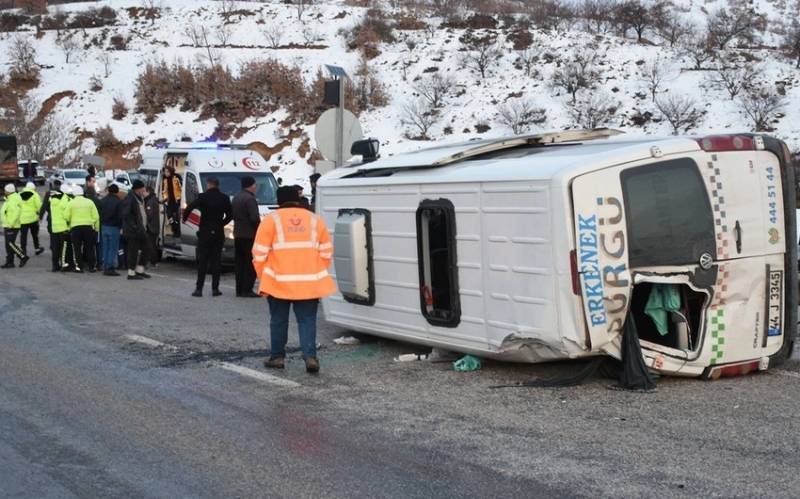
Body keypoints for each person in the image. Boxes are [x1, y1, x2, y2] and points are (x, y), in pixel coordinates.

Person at [253, 186, 336, 373]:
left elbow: (258, 254)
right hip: (309, 283)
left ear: (279, 201)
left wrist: (263, 276)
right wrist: (314, 270)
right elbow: (326, 252)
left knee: (278, 320)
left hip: (277, 283)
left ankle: (277, 357)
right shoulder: (315, 220)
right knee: (307, 320)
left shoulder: (270, 221)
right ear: (297, 201)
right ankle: (310, 357)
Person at [182, 176, 232, 297]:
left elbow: (190, 207)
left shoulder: (203, 197)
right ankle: (215, 289)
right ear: (217, 184)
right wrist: (221, 224)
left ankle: (199, 289)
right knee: (216, 261)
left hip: (205, 233)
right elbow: (230, 215)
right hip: (218, 233)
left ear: (209, 184)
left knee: (203, 261)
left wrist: (184, 218)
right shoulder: (224, 198)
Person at [231, 175, 261, 298]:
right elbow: (254, 218)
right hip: (249, 235)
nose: (256, 187)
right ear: (251, 185)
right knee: (250, 263)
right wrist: (260, 229)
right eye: (254, 184)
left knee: (240, 263)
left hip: (238, 234)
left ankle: (239, 289)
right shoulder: (250, 199)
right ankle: (247, 289)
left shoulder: (236, 197)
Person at [63, 185, 99, 273]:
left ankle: (79, 267)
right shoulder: (89, 202)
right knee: (90, 248)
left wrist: (72, 221)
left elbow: (66, 216)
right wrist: (92, 223)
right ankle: (92, 267)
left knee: (77, 248)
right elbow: (96, 216)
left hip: (75, 228)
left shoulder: (71, 203)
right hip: (88, 227)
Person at [122, 180, 151, 280]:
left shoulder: (139, 198)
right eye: (143, 188)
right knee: (133, 251)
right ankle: (131, 273)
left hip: (141, 229)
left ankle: (140, 270)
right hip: (133, 231)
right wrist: (134, 227)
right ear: (138, 189)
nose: (144, 190)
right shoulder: (130, 198)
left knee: (147, 248)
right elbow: (126, 215)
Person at [39, 181, 69, 272]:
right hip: (63, 224)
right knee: (63, 245)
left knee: (54, 244)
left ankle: (55, 265)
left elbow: (44, 206)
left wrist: (40, 217)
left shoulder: (50, 195)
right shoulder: (65, 197)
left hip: (52, 221)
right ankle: (62, 262)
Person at [1, 183, 28, 268]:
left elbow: (16, 213)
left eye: (5, 190)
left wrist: (10, 224)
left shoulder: (14, 199)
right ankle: (10, 262)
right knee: (8, 245)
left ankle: (22, 256)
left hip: (11, 226)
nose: (4, 192)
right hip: (8, 225)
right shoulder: (10, 198)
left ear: (9, 191)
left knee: (10, 244)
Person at [99, 183, 123, 276]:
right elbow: (120, 216)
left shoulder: (103, 200)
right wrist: (120, 227)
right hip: (114, 227)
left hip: (104, 227)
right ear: (117, 192)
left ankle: (105, 266)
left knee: (105, 247)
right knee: (113, 248)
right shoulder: (118, 202)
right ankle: (109, 267)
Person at [19, 181, 44, 256]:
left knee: (23, 236)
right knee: (34, 234)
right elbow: (39, 206)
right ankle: (37, 248)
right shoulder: (35, 194)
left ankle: (23, 252)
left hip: (23, 219)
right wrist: (39, 215)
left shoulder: (19, 194)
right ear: (33, 188)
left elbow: (17, 206)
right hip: (33, 219)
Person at [162, 166, 181, 236]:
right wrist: (165, 199)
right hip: (169, 202)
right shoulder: (165, 180)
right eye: (165, 171)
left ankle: (177, 232)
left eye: (167, 171)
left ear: (170, 172)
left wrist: (180, 199)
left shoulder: (176, 179)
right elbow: (164, 191)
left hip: (177, 201)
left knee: (177, 218)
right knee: (170, 217)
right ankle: (174, 228)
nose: (165, 173)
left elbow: (180, 188)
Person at [143, 185, 160, 267]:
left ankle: (153, 261)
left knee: (150, 245)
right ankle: (153, 261)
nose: (143, 193)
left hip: (151, 227)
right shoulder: (153, 199)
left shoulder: (150, 201)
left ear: (148, 192)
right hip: (154, 226)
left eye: (144, 192)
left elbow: (149, 215)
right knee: (152, 244)